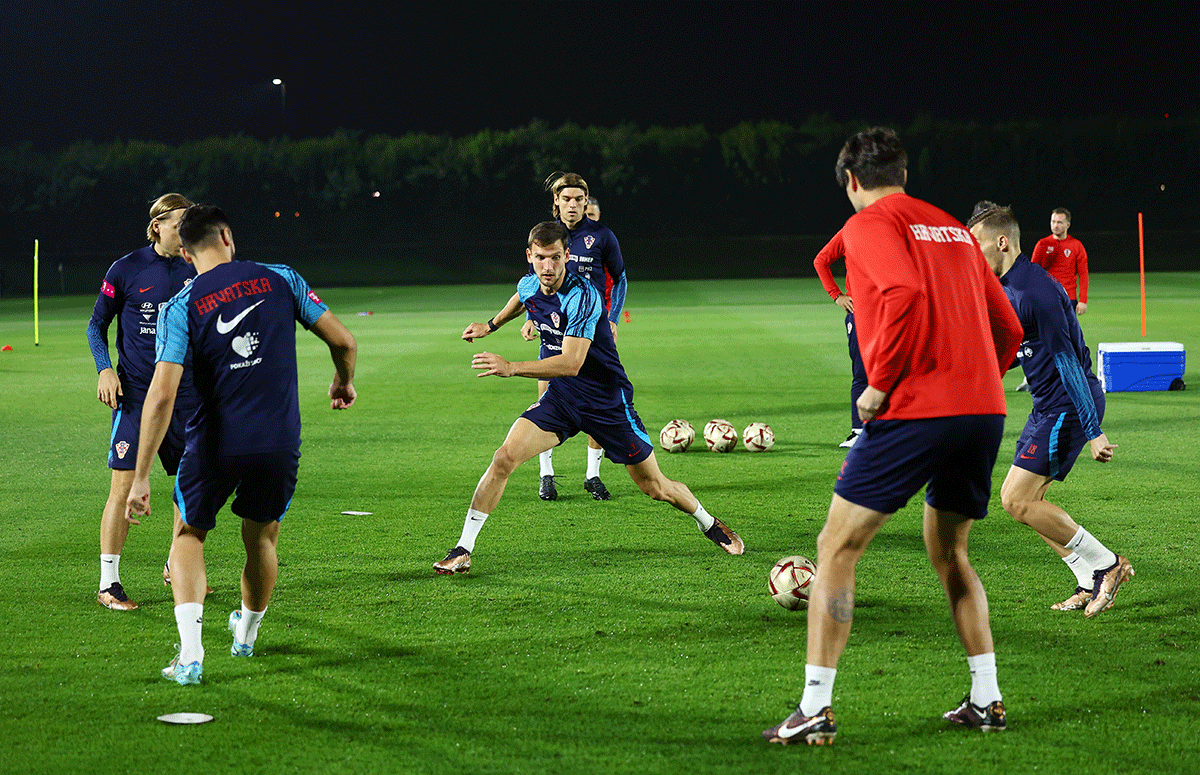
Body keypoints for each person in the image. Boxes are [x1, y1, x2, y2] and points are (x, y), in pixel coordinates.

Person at [762, 128, 1024, 746]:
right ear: (903, 174)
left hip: (915, 411)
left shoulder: (867, 226)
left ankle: (815, 709)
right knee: (950, 552)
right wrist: (980, 380)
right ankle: (986, 699)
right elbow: (1008, 326)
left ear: (852, 181)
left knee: (836, 547)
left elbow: (903, 291)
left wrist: (880, 384)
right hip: (981, 414)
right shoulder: (956, 231)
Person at [125, 205, 357, 685]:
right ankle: (246, 636)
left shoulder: (180, 305)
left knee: (188, 535)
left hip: (214, 444)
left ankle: (190, 656)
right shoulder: (282, 278)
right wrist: (342, 382)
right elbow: (345, 341)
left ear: (186, 254)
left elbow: (162, 395)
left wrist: (142, 475)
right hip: (276, 441)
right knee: (262, 537)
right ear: (228, 235)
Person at [434, 221, 741, 575]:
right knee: (504, 458)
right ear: (529, 256)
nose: (547, 267)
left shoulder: (583, 296)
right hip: (563, 400)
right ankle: (463, 549)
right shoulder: (530, 281)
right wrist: (492, 325)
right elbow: (522, 297)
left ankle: (707, 521)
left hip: (607, 401)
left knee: (655, 487)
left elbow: (571, 362)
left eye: (554, 258)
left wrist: (512, 367)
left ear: (567, 255)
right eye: (539, 258)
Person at [967, 202, 1133, 618]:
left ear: (1002, 242)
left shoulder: (1034, 291)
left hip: (1070, 404)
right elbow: (1008, 353)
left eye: (978, 245)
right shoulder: (1007, 288)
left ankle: (1108, 565)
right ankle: (1088, 576)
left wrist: (1093, 431)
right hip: (1048, 405)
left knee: (1017, 500)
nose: (973, 254)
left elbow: (1067, 363)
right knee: (1024, 500)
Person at [86, 193, 198, 610]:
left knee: (190, 486)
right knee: (123, 487)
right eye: (178, 223)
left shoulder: (198, 268)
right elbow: (97, 325)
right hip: (136, 397)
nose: (185, 230)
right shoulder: (127, 268)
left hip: (188, 398)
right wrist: (104, 369)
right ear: (157, 226)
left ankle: (177, 565)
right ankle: (109, 583)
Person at [520, 172, 627, 502]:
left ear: (585, 201)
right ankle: (546, 474)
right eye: (565, 198)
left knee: (599, 396)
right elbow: (531, 279)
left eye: (578, 199)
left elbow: (620, 278)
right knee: (545, 396)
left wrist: (611, 319)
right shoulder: (547, 235)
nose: (572, 205)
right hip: (553, 324)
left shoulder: (602, 236)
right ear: (556, 201)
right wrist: (529, 316)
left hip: (591, 330)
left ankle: (592, 476)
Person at [812, 230, 867, 448]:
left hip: (889, 311)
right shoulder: (853, 230)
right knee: (862, 372)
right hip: (861, 313)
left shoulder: (894, 230)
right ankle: (859, 430)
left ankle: (895, 429)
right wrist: (836, 294)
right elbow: (821, 260)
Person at [1031, 208, 1089, 316]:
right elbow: (1033, 272)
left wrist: (1083, 300)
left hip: (1068, 297)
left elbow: (1083, 274)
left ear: (1068, 225)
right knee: (1047, 331)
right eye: (1053, 222)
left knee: (1067, 332)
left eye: (1059, 222)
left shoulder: (1077, 246)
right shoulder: (1042, 244)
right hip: (1047, 297)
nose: (1055, 225)